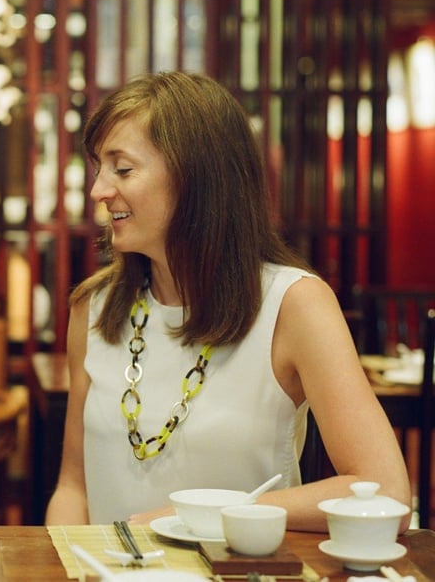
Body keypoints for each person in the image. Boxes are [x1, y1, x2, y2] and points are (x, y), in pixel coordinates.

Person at [44, 72, 410, 533]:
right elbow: (74, 488)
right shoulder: (94, 309)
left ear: (195, 176)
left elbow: (386, 491)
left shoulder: (293, 304)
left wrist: (203, 517)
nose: (98, 190)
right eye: (99, 167)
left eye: (122, 168)